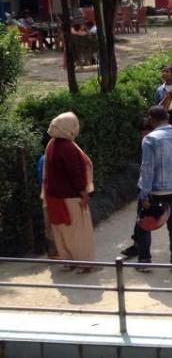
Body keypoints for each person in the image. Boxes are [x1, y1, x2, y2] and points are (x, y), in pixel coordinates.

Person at [133, 105, 172, 274]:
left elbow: (147, 169)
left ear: (152, 120)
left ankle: (145, 261)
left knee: (144, 225)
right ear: (167, 118)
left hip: (154, 191)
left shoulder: (149, 139)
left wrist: (144, 194)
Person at [42, 112, 96, 272]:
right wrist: (84, 193)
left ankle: (68, 261)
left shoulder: (51, 144)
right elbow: (76, 173)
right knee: (78, 232)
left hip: (53, 196)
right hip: (70, 197)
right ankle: (84, 264)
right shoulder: (68, 147)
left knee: (61, 232)